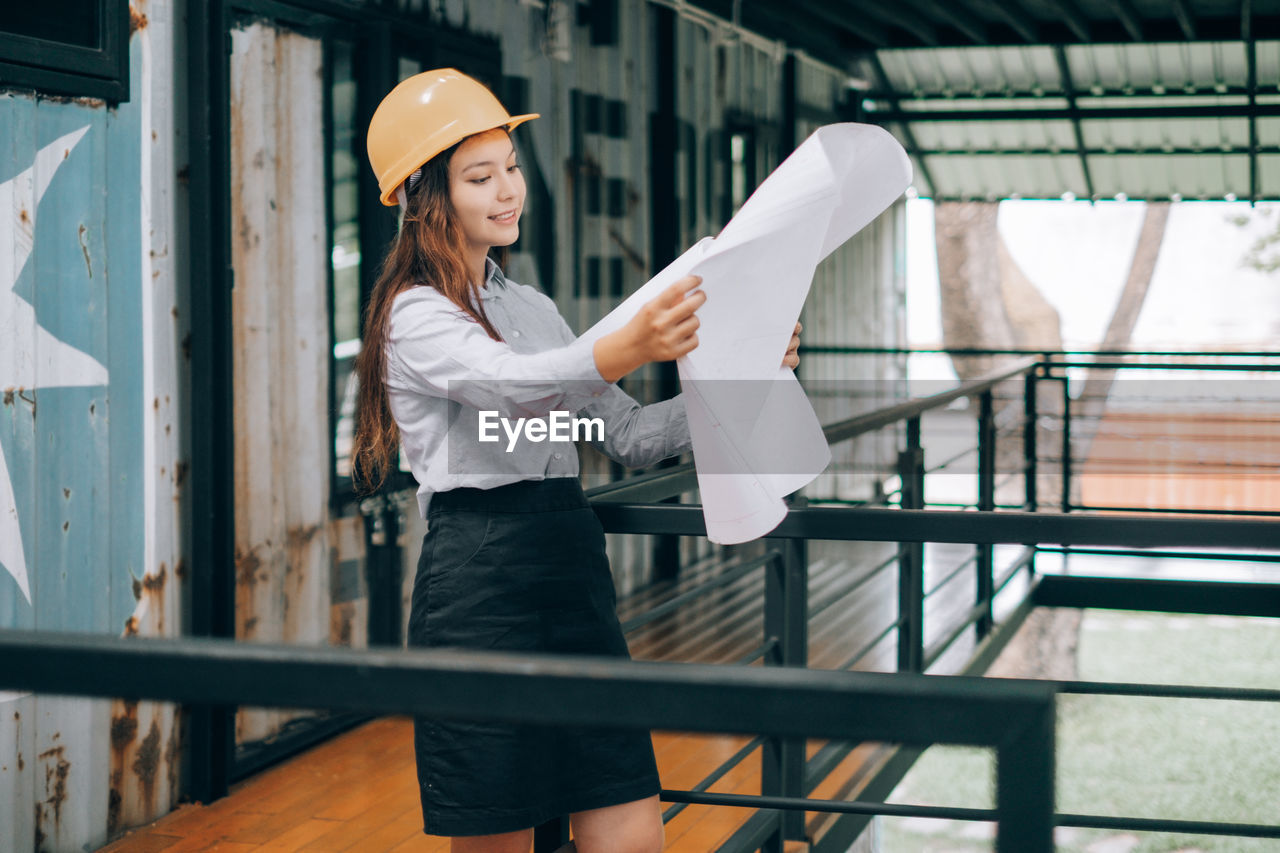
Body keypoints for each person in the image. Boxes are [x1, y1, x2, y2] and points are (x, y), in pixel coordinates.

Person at [354, 68, 800, 853]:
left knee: (623, 797)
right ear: (426, 196)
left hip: (569, 554)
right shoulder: (414, 314)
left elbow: (627, 435)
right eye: (480, 176)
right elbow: (511, 389)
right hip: (478, 576)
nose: (508, 191)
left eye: (513, 167)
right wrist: (624, 344)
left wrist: (748, 375)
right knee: (498, 824)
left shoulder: (532, 307)